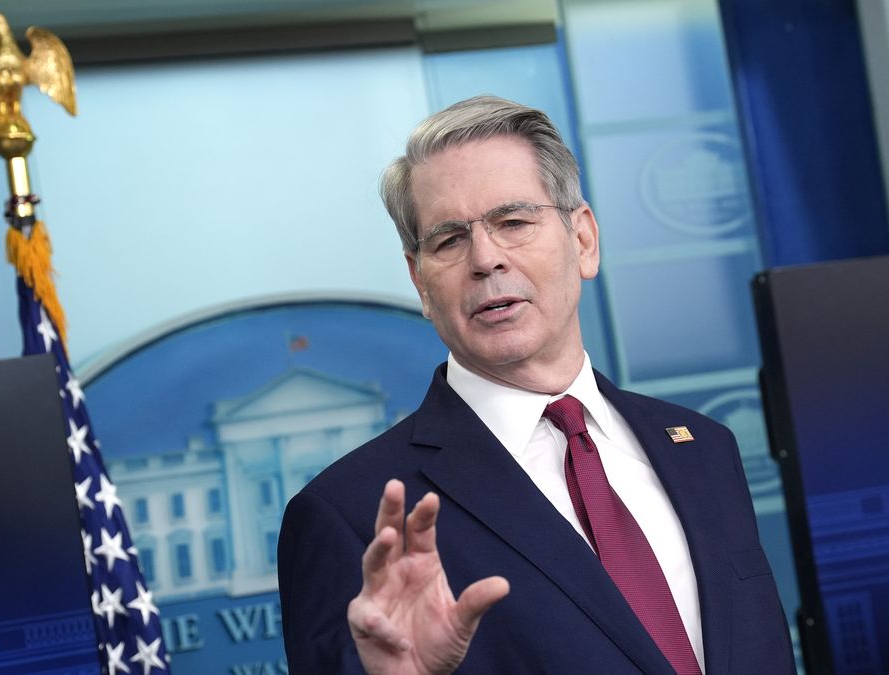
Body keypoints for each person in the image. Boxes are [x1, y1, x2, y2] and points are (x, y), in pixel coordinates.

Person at [277, 95, 795, 675]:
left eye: (513, 222)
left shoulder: (704, 447)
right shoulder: (352, 516)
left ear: (583, 241)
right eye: (449, 240)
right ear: (419, 282)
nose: (486, 259)